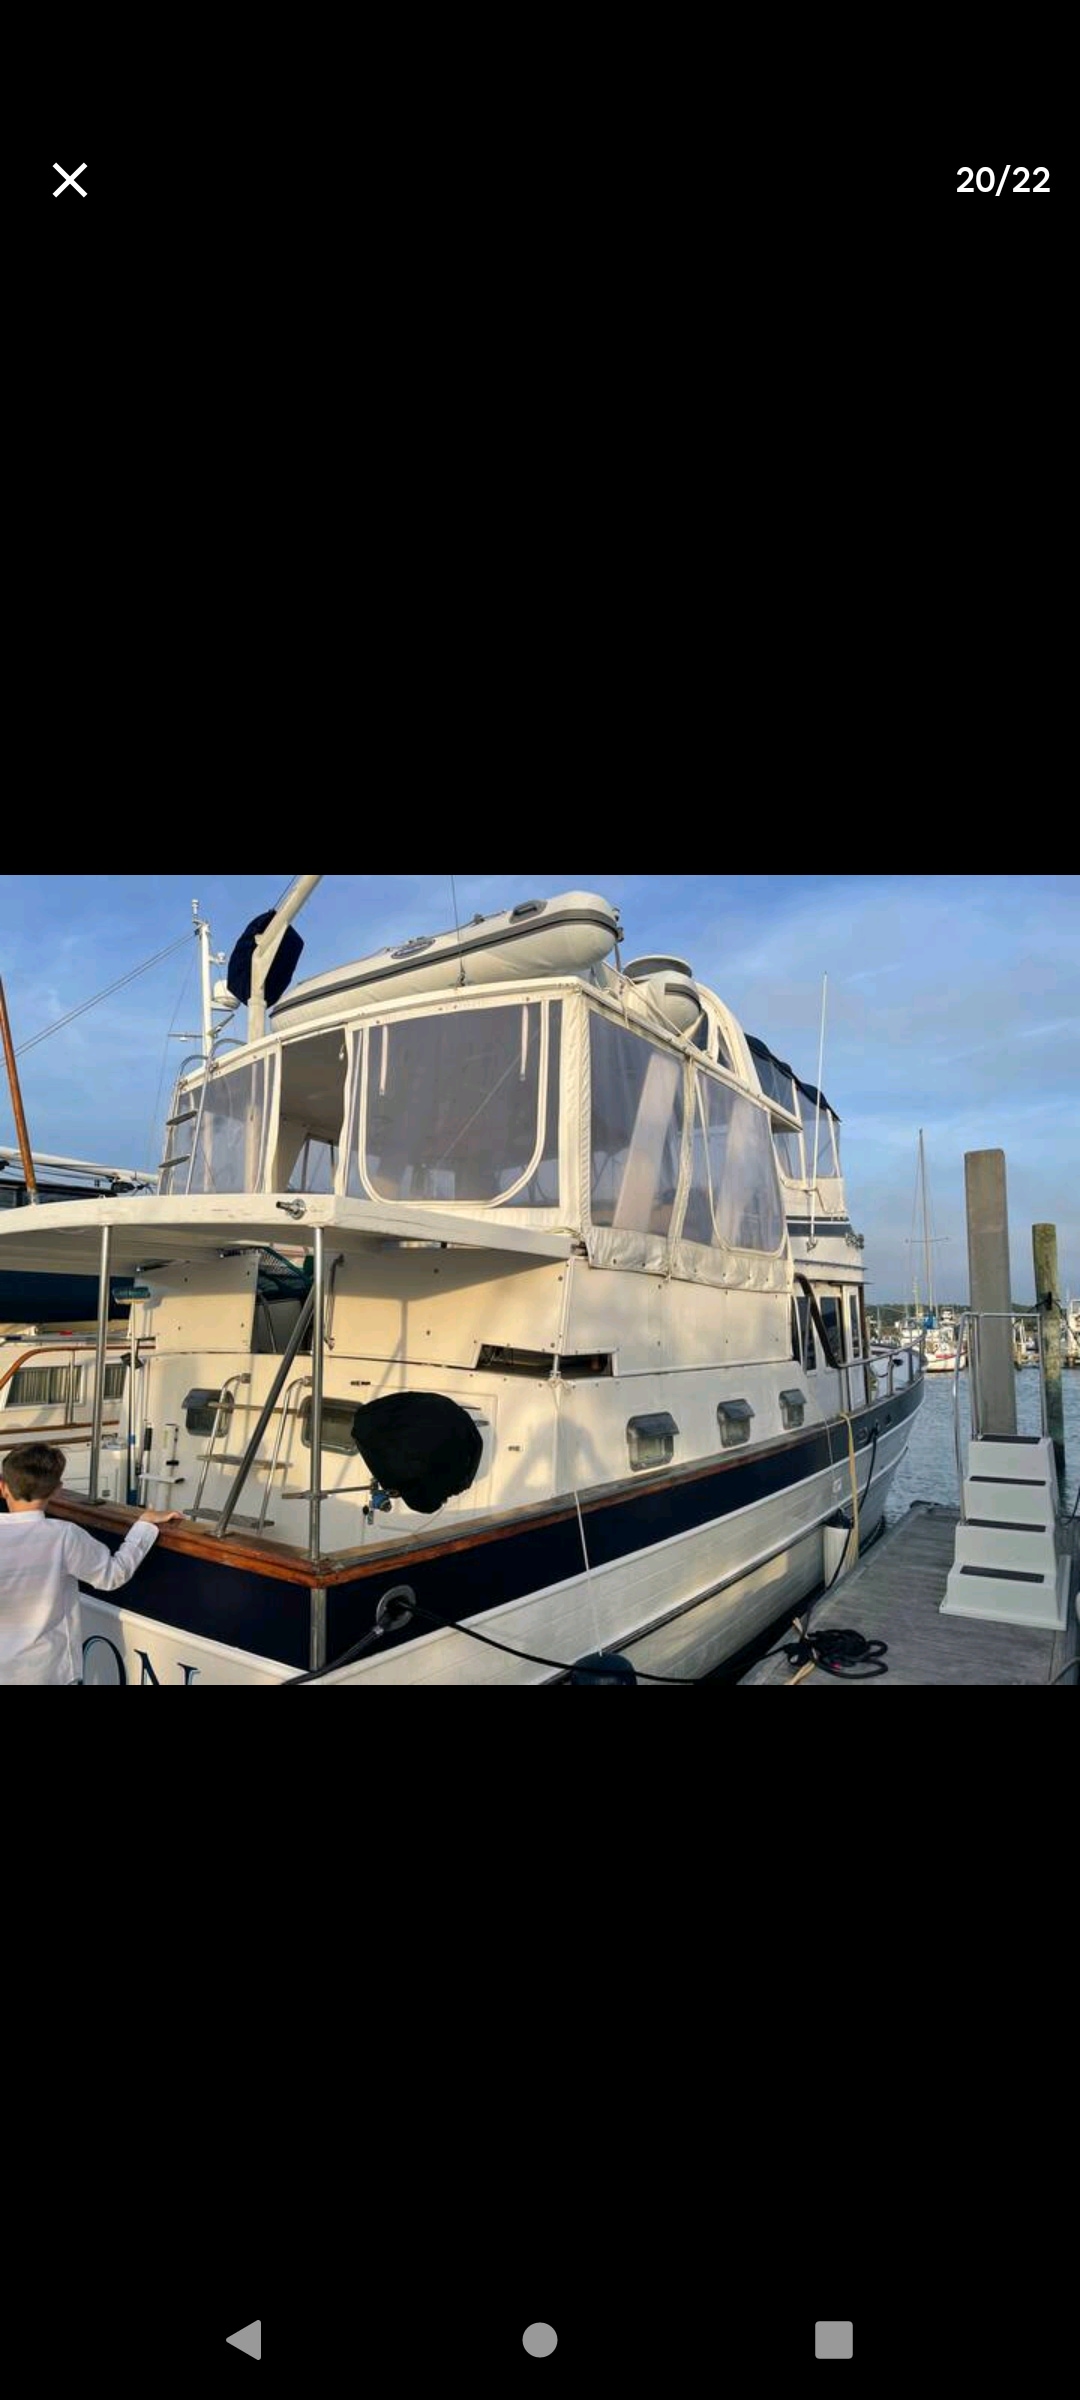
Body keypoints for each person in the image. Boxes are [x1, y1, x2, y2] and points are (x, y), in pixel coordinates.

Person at [0, 1442, 180, 1687]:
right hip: (48, 1671)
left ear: (3, 1487)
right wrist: (145, 1525)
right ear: (57, 1491)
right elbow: (111, 1576)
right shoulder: (64, 1536)